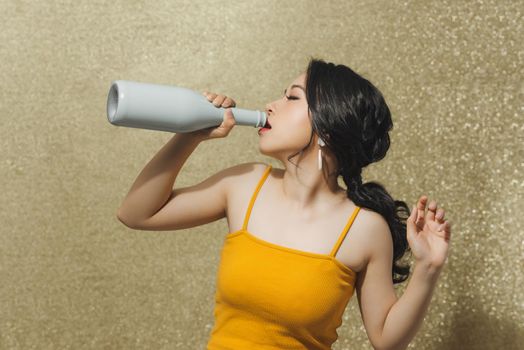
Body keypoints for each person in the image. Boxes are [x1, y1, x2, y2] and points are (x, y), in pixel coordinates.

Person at [116, 58, 452, 350]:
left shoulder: (364, 229)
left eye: (291, 97)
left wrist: (428, 268)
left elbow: (385, 340)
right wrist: (190, 135)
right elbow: (136, 213)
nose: (271, 105)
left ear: (328, 127)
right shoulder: (244, 185)